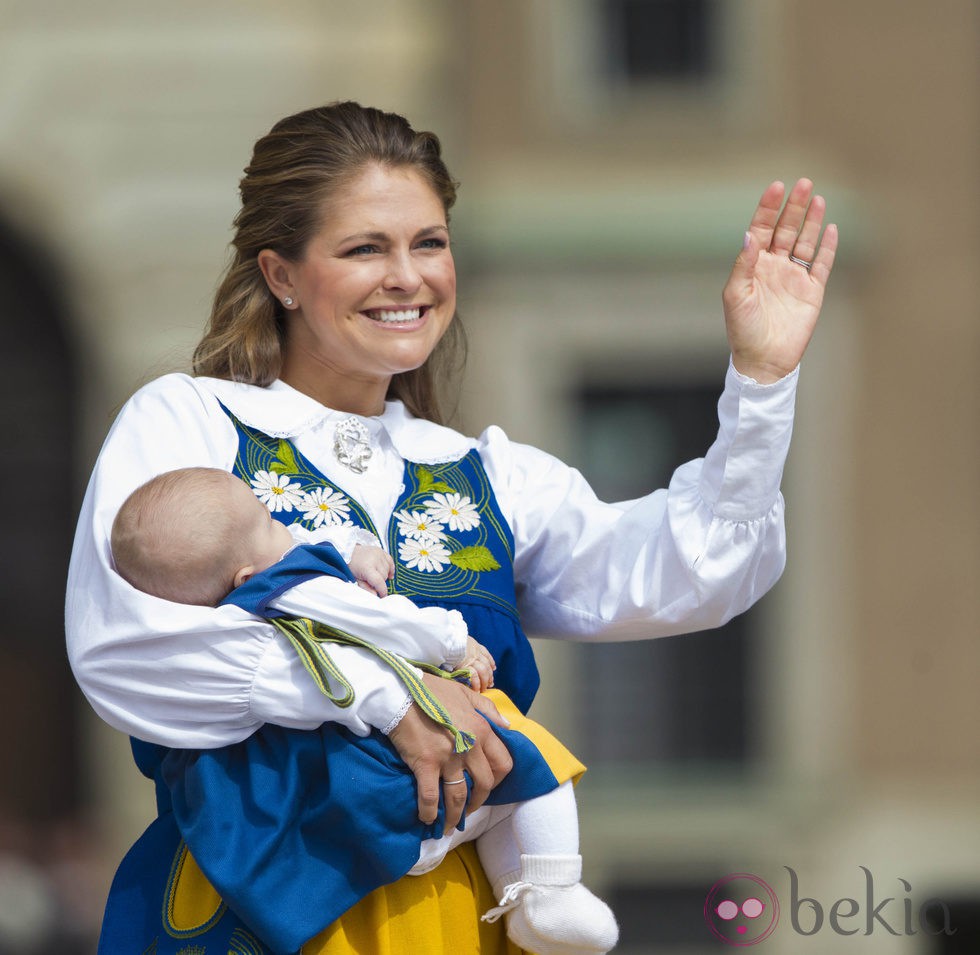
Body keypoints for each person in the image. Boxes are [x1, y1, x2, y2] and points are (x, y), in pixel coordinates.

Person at [65, 101, 837, 955]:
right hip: (254, 911)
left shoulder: (487, 471)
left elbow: (692, 571)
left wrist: (760, 384)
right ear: (281, 274)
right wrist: (383, 695)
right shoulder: (191, 420)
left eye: (428, 243)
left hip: (457, 918)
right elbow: (122, 650)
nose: (408, 277)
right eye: (366, 248)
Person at [109, 465, 616, 953]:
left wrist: (351, 557)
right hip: (381, 796)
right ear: (247, 572)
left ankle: (516, 890)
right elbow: (384, 623)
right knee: (526, 752)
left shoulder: (230, 615)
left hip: (282, 794)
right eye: (267, 521)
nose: (282, 522)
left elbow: (312, 549)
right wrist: (455, 643)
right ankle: (548, 887)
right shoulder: (294, 587)